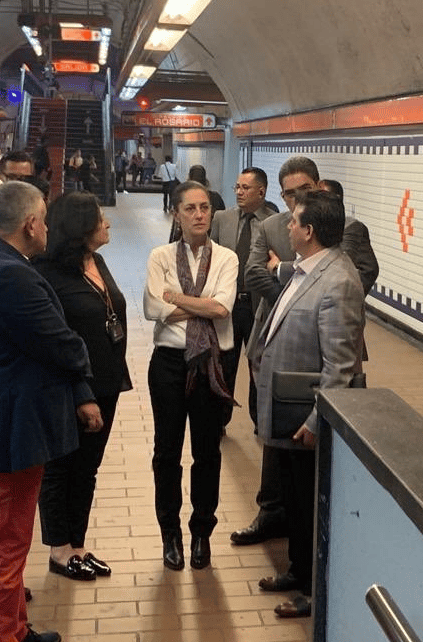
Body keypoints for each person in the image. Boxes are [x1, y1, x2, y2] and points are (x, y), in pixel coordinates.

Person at [0, 181, 102, 642]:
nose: (46, 227)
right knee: (5, 546)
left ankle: (15, 630)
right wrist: (83, 356)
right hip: (12, 427)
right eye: (43, 217)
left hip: (4, 419)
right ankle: (2, 637)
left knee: (10, 540)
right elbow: (61, 342)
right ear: (31, 225)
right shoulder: (10, 274)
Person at [231, 156, 378, 547]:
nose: (295, 200)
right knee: (274, 438)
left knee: (306, 457)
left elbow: (357, 278)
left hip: (324, 342)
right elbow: (254, 273)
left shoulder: (344, 227)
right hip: (278, 336)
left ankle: (303, 543)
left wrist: (301, 288)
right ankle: (272, 513)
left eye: (303, 192)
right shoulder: (271, 225)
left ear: (317, 186)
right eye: (289, 194)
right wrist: (294, 283)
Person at [249, 191, 365, 619]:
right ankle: (298, 570)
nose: (288, 227)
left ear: (309, 231)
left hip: (307, 419)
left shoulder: (338, 282)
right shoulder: (307, 270)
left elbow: (341, 365)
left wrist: (319, 419)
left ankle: (317, 592)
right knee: (296, 501)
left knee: (312, 505)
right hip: (289, 413)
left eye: (294, 222)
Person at [34, 192, 131, 582]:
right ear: (79, 228)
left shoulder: (97, 261)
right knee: (61, 467)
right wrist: (81, 394)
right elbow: (54, 341)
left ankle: (78, 544)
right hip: (71, 387)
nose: (108, 224)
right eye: (100, 219)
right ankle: (59, 550)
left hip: (106, 381)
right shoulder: (47, 272)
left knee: (87, 468)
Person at [144, 182, 238, 571]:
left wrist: (176, 299)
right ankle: (170, 534)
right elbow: (152, 307)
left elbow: (221, 308)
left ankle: (202, 532)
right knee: (167, 453)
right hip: (168, 362)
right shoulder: (160, 255)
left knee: (207, 453)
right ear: (177, 214)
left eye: (205, 208)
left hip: (212, 363)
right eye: (191, 209)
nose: (199, 215)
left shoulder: (227, 258)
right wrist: (197, 304)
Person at [209, 167, 277, 427]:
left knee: (258, 364)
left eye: (245, 188)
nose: (238, 192)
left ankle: (260, 420)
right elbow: (210, 257)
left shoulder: (274, 222)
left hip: (259, 306)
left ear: (261, 191)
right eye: (237, 187)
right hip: (227, 305)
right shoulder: (222, 219)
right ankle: (219, 420)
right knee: (224, 364)